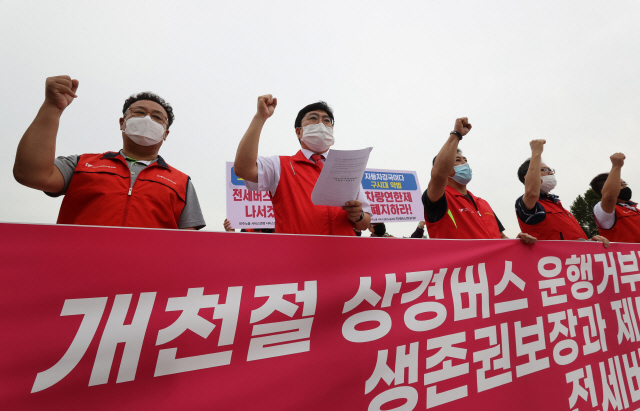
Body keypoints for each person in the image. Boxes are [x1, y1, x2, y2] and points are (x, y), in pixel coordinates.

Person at [13, 75, 205, 230]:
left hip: (150, 276)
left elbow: (187, 243)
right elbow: (31, 174)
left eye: (157, 117)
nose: (147, 119)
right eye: (139, 112)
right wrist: (52, 107)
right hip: (77, 273)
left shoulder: (182, 183)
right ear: (122, 123)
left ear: (165, 133)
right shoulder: (81, 164)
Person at [233, 95, 371, 235]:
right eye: (313, 118)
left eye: (327, 121)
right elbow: (243, 168)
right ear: (299, 132)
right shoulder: (280, 165)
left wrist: (358, 216)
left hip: (343, 254)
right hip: (298, 254)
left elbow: (364, 223)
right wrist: (260, 117)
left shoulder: (347, 170)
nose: (321, 124)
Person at [424, 117, 536, 243]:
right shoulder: (439, 198)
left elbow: (502, 238)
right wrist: (456, 134)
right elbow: (439, 174)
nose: (465, 164)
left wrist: (517, 242)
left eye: (465, 160)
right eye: (457, 160)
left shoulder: (482, 203)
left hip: (492, 263)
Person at [515, 139, 608, 246]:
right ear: (528, 177)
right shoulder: (529, 204)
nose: (550, 172)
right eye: (544, 170)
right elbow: (531, 193)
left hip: (575, 260)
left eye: (550, 169)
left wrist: (590, 243)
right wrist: (536, 152)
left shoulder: (558, 205)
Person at [589, 153, 640, 243]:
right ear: (604, 190)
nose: (625, 187)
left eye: (625, 184)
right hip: (626, 256)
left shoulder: (633, 208)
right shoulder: (602, 210)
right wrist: (616, 166)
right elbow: (609, 197)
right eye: (621, 185)